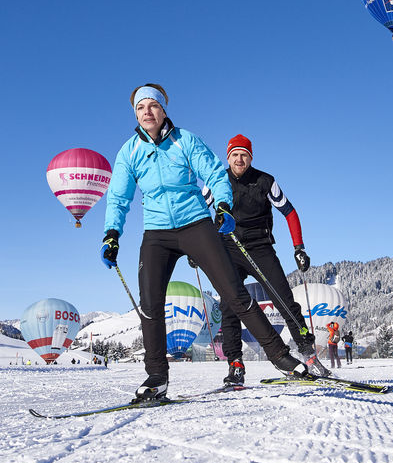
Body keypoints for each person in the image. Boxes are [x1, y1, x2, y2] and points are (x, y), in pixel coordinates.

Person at [102, 84, 307, 401]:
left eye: (153, 105)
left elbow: (213, 174)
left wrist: (223, 205)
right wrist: (112, 234)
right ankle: (157, 377)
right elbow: (118, 197)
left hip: (195, 224)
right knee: (150, 305)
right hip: (157, 232)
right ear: (135, 114)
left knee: (234, 294)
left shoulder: (185, 140)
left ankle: (280, 356)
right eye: (140, 107)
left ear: (163, 109)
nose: (147, 112)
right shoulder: (129, 152)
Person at [217, 134, 328, 385]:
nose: (239, 159)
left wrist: (299, 248)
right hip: (229, 248)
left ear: (250, 157)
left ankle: (308, 355)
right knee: (229, 306)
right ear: (228, 157)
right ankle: (235, 364)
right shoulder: (218, 180)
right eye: (235, 155)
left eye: (244, 155)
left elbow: (290, 212)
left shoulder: (265, 181)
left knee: (284, 300)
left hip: (260, 247)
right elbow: (200, 211)